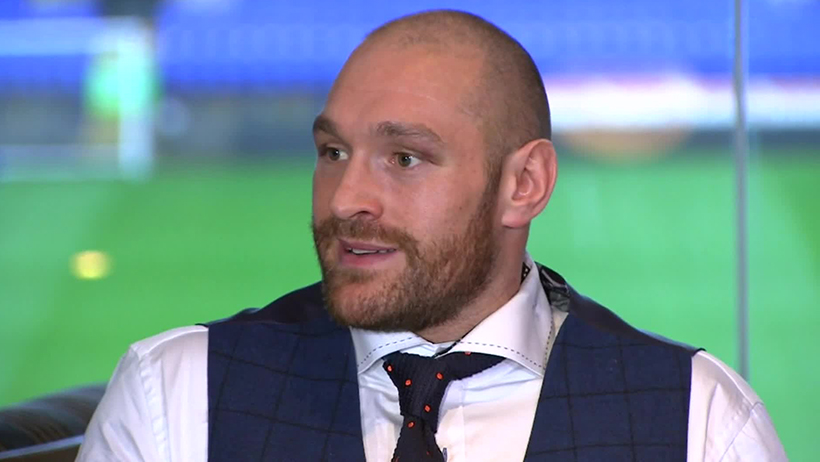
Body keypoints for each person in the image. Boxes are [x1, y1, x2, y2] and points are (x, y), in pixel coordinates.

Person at [76, 10, 787, 462]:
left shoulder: (700, 422)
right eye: (333, 152)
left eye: (405, 159)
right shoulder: (175, 395)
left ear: (524, 184)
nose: (346, 199)